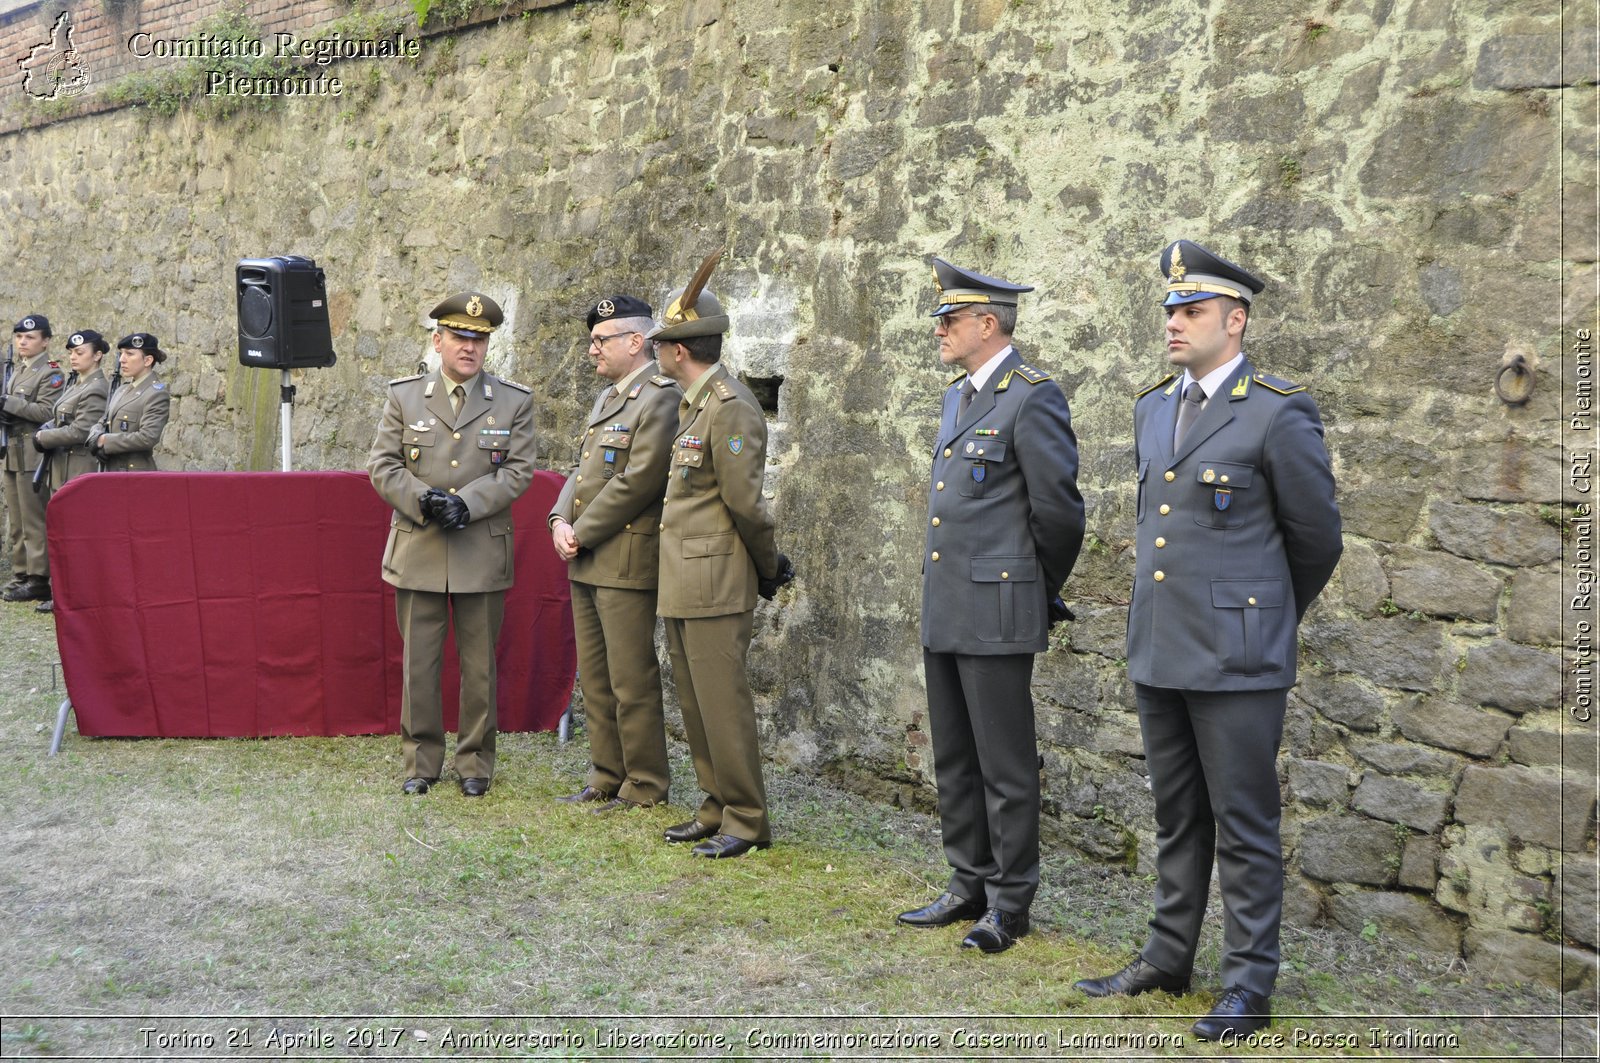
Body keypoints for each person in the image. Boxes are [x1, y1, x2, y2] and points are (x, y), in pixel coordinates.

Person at [1073, 241, 1342, 1041]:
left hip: (1238, 655)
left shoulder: (1277, 408)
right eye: (1169, 311)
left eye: (1191, 311)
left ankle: (1248, 984)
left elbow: (1316, 539)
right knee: (1177, 812)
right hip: (1161, 645)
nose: (1174, 323)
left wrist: (1258, 618)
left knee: (1245, 820)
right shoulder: (1154, 406)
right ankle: (1167, 955)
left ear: (1236, 319)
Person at [897, 258, 1084, 954]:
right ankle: (966, 879)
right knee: (955, 756)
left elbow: (1059, 514)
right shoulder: (959, 396)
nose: (939, 329)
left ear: (988, 323)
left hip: (998, 607)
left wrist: (1030, 586)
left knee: (1005, 765)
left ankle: (1010, 902)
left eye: (949, 319)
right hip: (947, 602)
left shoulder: (1031, 396)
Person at [650, 251, 792, 859]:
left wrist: (768, 566)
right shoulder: (695, 404)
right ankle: (715, 804)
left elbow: (744, 502)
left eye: (660, 343)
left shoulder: (731, 407)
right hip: (685, 577)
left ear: (679, 351)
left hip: (714, 579)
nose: (656, 350)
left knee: (722, 702)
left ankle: (746, 818)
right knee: (694, 698)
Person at [367, 292, 536, 798]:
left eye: (479, 339)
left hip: (480, 548)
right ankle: (421, 761)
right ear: (437, 340)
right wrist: (425, 499)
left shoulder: (513, 401)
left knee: (480, 663)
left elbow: (520, 469)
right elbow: (382, 465)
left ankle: (475, 764)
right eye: (460, 337)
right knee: (419, 663)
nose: (470, 347)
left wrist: (471, 502)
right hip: (419, 545)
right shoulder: (404, 396)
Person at [550, 295, 679, 813]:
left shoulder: (660, 398)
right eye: (591, 340)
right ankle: (607, 773)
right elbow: (583, 472)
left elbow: (640, 480)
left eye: (601, 340)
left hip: (625, 557)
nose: (591, 350)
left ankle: (645, 783)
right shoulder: (608, 399)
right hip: (588, 554)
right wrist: (558, 519)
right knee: (597, 677)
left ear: (635, 341)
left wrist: (581, 529)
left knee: (631, 677)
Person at [31, 329, 112, 613]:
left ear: (98, 355)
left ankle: (75, 594)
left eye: (80, 353)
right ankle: (62, 592)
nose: (73, 357)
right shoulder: (75, 383)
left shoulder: (97, 387)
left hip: (78, 466)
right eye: (71, 353)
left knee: (77, 534)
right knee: (61, 532)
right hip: (60, 466)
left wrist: (44, 438)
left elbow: (80, 431)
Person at [1, 315, 66, 603]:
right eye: (19, 337)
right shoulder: (17, 371)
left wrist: (8, 404)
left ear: (46, 341)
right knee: (16, 519)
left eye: (29, 337)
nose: (23, 342)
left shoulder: (51, 373)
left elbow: (45, 412)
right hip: (12, 451)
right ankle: (21, 572)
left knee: (33, 518)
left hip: (32, 453)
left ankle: (38, 577)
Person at [87, 333, 170, 472]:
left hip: (133, 473)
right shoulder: (122, 389)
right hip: (111, 470)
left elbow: (147, 437)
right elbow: (104, 420)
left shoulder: (156, 394)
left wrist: (105, 441)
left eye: (129, 354)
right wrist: (95, 435)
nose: (122, 360)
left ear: (148, 360)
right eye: (121, 354)